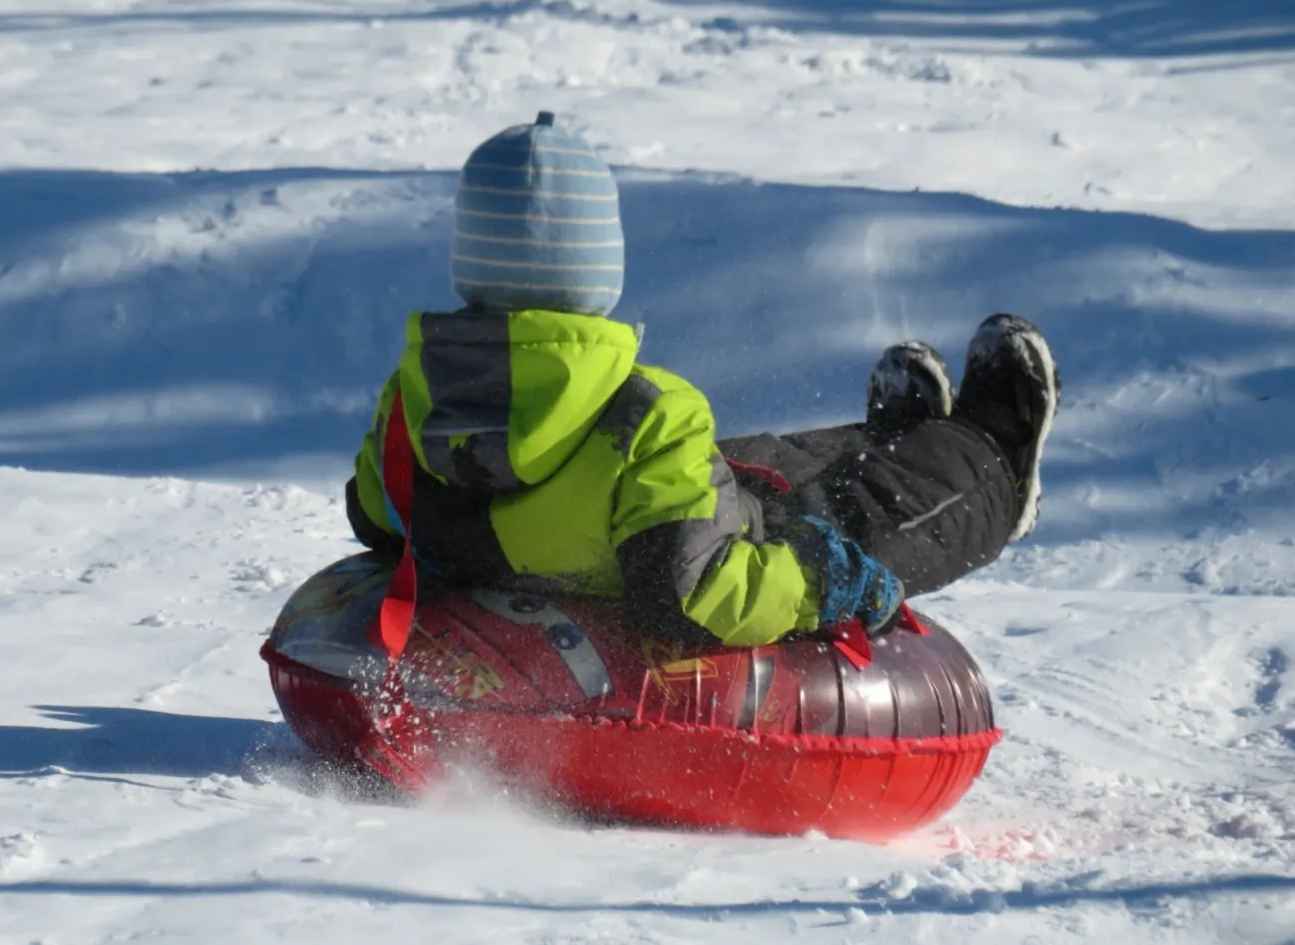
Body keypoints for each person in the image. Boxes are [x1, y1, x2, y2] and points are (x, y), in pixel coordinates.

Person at [344, 112, 1059, 647]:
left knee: (750, 463)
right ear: (599, 271)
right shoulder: (648, 412)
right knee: (855, 513)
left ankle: (895, 438)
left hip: (623, 534)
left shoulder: (415, 399)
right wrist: (816, 580)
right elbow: (696, 594)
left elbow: (377, 513)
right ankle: (991, 461)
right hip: (691, 557)